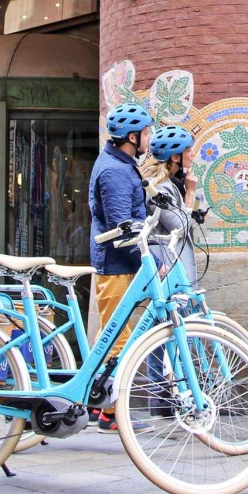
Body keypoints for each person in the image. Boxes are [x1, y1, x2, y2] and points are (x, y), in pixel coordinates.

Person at [88, 103, 154, 434]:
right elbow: (120, 228)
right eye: (145, 134)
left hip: (120, 264)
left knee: (112, 334)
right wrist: (148, 255)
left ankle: (95, 398)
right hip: (115, 266)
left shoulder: (122, 164)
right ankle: (110, 412)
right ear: (132, 136)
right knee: (117, 338)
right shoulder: (114, 171)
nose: (149, 139)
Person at [138, 126, 199, 283]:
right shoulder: (159, 189)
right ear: (175, 157)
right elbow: (181, 227)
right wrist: (190, 194)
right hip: (169, 265)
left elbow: (192, 220)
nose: (193, 154)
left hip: (176, 261)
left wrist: (192, 194)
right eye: (188, 150)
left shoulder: (175, 182)